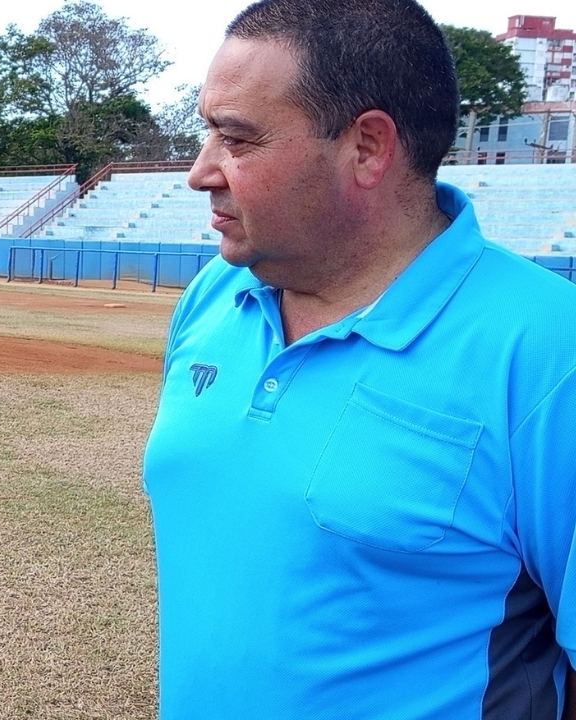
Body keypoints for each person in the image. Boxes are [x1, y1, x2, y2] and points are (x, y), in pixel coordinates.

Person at [141, 0, 576, 717]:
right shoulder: (215, 296)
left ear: (368, 147)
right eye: (206, 131)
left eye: (237, 140)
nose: (200, 171)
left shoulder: (547, 353)